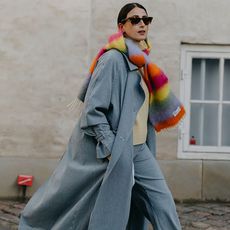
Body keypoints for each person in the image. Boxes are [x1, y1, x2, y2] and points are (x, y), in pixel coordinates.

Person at [19, 2, 185, 230]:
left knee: (162, 203)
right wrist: (111, 148)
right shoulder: (112, 60)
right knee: (108, 212)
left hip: (139, 149)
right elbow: (93, 111)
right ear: (122, 26)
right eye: (135, 20)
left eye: (146, 20)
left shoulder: (142, 62)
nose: (142, 24)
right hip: (119, 148)